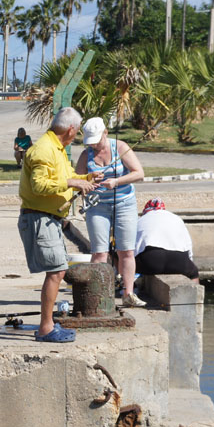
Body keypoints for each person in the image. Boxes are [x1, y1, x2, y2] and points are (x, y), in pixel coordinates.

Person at [18, 107, 101, 343]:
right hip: (40, 218)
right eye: (76, 133)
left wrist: (86, 179)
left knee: (58, 270)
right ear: (71, 130)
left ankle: (48, 325)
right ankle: (46, 328)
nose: (75, 137)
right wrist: (74, 182)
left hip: (49, 218)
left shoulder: (56, 148)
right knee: (56, 272)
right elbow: (39, 185)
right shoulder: (44, 150)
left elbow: (62, 177)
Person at [75, 117, 146, 308]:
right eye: (90, 142)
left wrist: (116, 181)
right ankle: (96, 295)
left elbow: (139, 173)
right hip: (97, 206)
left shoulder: (120, 147)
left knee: (127, 250)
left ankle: (128, 293)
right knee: (99, 252)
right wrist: (88, 179)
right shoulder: (86, 154)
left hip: (124, 203)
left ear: (105, 133)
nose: (94, 146)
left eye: (96, 141)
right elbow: (77, 180)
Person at [135, 198, 199, 282]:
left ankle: (124, 286)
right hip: (178, 260)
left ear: (145, 211)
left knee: (121, 257)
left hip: (150, 259)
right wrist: (188, 263)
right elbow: (188, 245)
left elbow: (131, 248)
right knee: (194, 273)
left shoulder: (140, 220)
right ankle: (196, 294)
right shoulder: (176, 218)